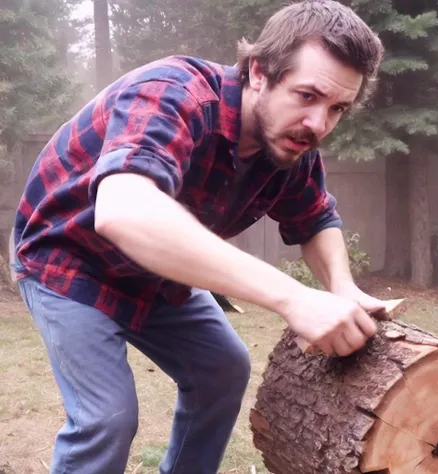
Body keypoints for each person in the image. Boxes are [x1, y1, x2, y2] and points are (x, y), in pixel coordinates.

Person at [12, 1, 386, 473]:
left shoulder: (291, 145)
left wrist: (342, 287)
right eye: (307, 95)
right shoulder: (172, 93)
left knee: (223, 370)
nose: (319, 124)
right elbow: (124, 210)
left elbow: (316, 220)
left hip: (153, 272)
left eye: (338, 108)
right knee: (107, 418)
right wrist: (293, 298)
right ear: (258, 73)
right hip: (68, 259)